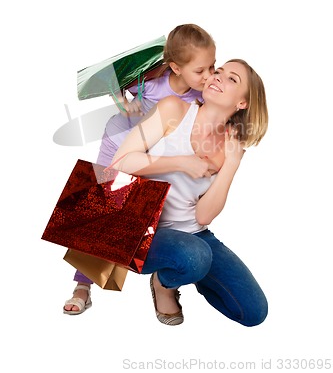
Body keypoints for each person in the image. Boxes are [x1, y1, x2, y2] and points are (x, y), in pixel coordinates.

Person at [63, 23, 216, 314]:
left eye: (212, 66)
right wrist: (124, 103)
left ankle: (164, 280)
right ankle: (82, 286)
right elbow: (115, 83)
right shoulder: (153, 79)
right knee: (100, 211)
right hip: (120, 142)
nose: (208, 76)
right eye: (200, 70)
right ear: (176, 67)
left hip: (150, 157)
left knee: (148, 216)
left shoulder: (200, 97)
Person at [110, 59, 269, 326]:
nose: (218, 77)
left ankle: (179, 272)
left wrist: (231, 164)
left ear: (242, 103)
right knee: (194, 256)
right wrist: (183, 162)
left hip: (195, 235)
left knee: (254, 312)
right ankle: (165, 284)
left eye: (232, 79)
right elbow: (120, 162)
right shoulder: (174, 110)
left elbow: (204, 215)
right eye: (218, 72)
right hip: (140, 229)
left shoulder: (231, 144)